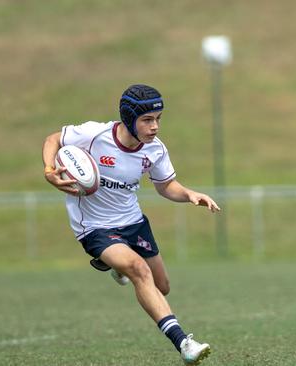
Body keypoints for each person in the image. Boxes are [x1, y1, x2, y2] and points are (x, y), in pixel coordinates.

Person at [42, 84, 220, 365]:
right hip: (95, 227)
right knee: (138, 270)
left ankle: (117, 267)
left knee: (162, 286)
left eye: (158, 119)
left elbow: (165, 186)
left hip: (134, 223)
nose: (155, 127)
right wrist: (50, 171)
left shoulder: (155, 150)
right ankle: (184, 343)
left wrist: (189, 195)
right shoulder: (94, 135)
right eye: (147, 120)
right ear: (129, 118)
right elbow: (54, 139)